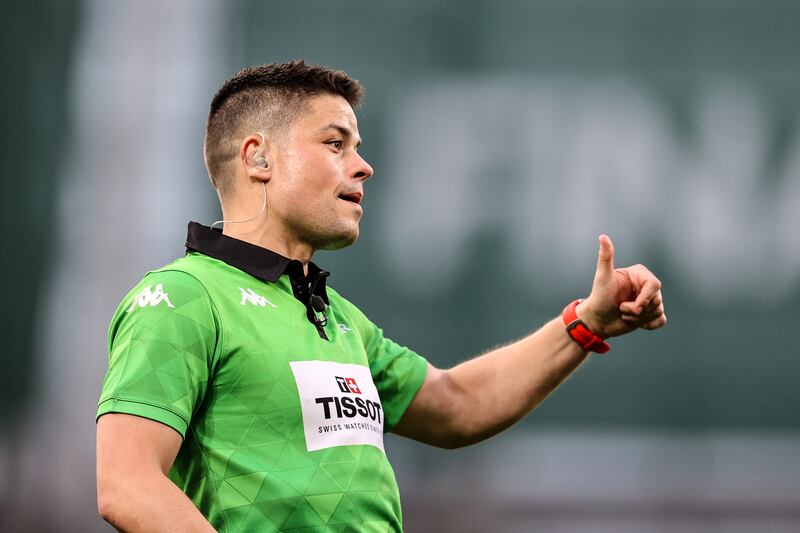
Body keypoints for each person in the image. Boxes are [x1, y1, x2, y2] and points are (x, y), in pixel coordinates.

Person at [96, 60, 666, 532]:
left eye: (357, 147)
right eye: (335, 143)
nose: (364, 166)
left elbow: (457, 405)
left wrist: (586, 323)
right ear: (258, 158)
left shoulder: (339, 318)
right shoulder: (183, 297)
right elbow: (127, 485)